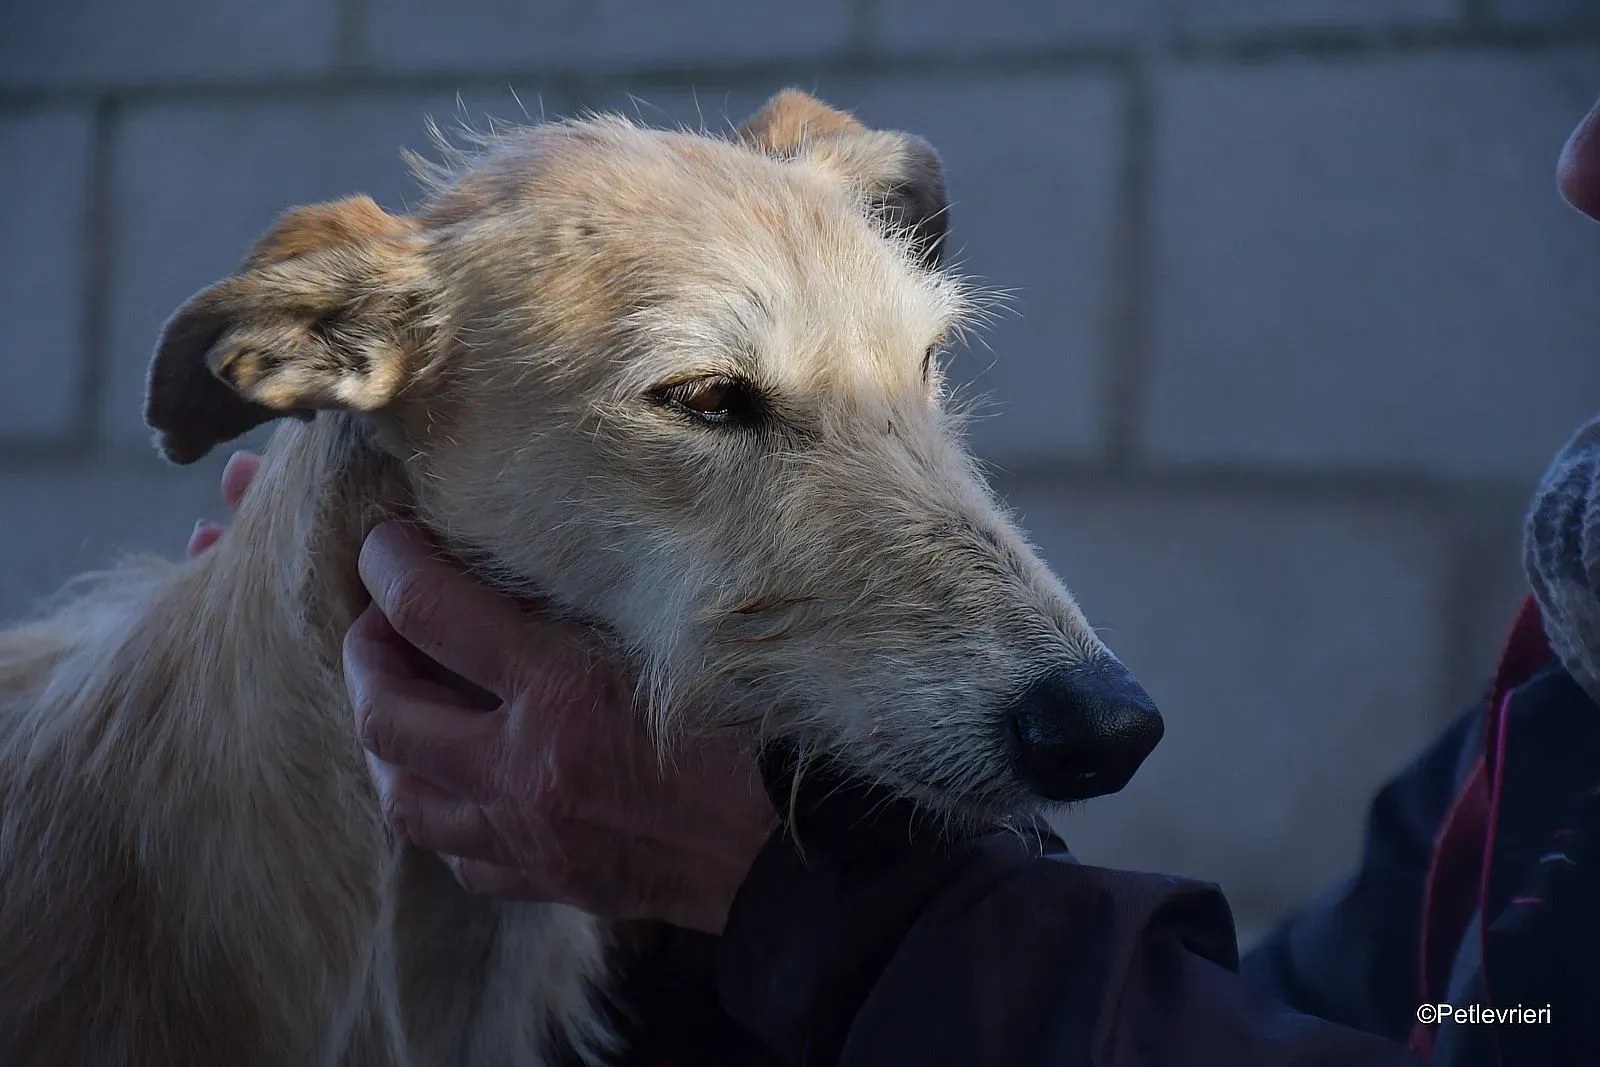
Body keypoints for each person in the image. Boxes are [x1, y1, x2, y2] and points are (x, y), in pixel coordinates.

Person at [186, 96, 1600, 1066]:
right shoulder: (1551, 712)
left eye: (920, 362)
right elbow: (1384, 1021)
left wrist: (820, 910)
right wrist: (718, 922)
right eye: (710, 399)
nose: (1579, 160)